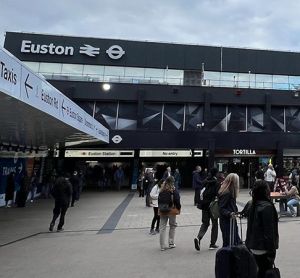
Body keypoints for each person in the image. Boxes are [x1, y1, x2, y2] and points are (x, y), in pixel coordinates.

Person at [245, 180, 279, 278]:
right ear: (265, 191)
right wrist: (272, 252)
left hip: (252, 245)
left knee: (259, 271)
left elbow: (250, 227)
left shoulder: (252, 204)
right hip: (263, 248)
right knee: (264, 272)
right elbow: (269, 232)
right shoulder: (267, 207)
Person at [194, 168, 220, 251]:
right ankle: (212, 244)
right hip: (212, 206)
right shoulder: (216, 183)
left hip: (204, 205)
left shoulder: (205, 181)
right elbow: (218, 194)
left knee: (205, 223)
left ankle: (198, 237)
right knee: (215, 224)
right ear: (215, 174)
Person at [158, 176, 181, 251]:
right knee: (172, 226)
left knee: (162, 227)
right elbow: (177, 199)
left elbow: (159, 200)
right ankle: (171, 243)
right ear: (172, 182)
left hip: (162, 210)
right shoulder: (173, 189)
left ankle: (162, 246)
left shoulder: (161, 189)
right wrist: (179, 207)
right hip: (171, 210)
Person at [218, 173, 241, 247]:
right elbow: (221, 208)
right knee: (229, 242)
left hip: (229, 220)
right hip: (227, 221)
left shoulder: (229, 192)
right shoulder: (227, 193)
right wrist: (230, 213)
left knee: (232, 241)